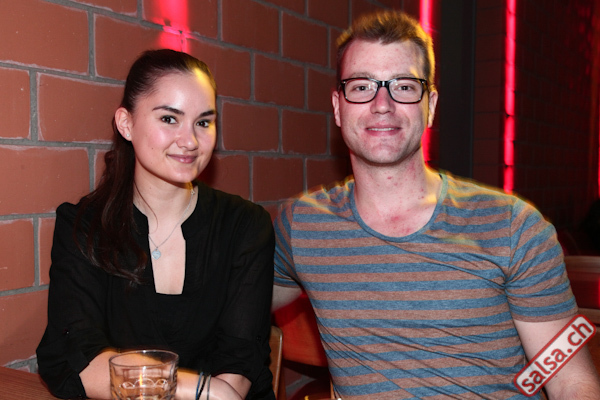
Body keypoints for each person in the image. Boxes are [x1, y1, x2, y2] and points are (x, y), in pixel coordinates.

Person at [272, 10, 600, 400]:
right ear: (338, 107)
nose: (381, 104)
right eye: (361, 86)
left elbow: (571, 382)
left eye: (404, 86)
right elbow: (230, 304)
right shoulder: (302, 225)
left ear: (430, 105)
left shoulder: (513, 227)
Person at [37, 49, 275, 400]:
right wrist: (201, 389)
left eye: (203, 122)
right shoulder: (84, 226)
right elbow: (79, 359)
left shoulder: (245, 225)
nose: (190, 141)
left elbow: (238, 370)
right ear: (126, 123)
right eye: (169, 119)